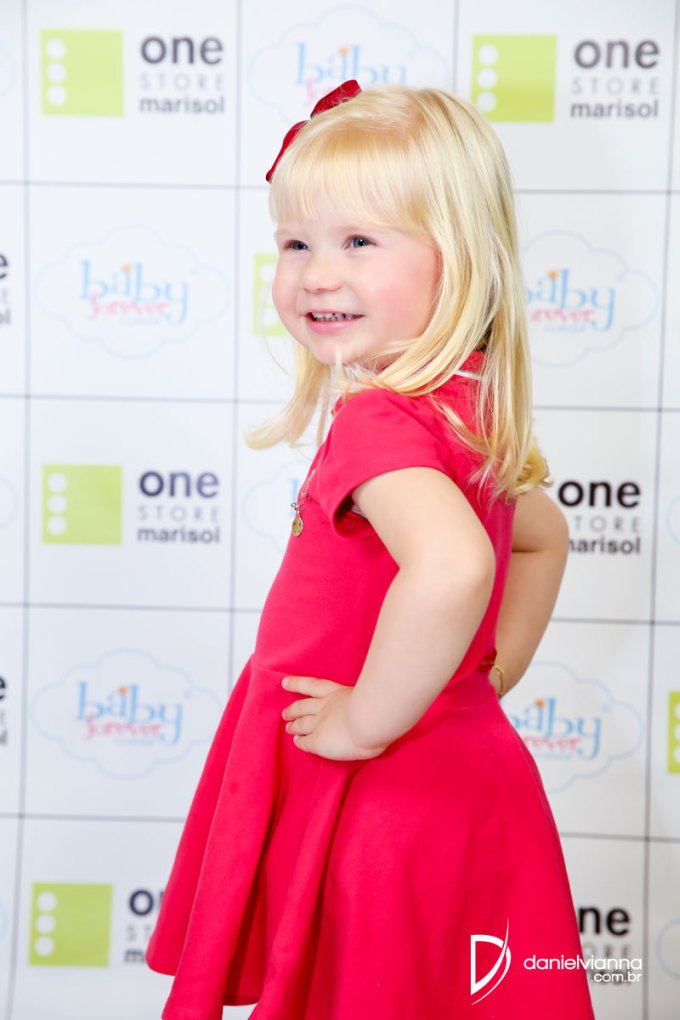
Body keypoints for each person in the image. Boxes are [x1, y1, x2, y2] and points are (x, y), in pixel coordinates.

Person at [146, 82, 595, 1019]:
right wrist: (482, 674)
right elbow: (542, 539)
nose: (316, 274)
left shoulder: (379, 421)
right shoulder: (463, 409)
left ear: (458, 261)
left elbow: (458, 565)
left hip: (375, 796)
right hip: (456, 778)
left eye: (358, 241)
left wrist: (366, 720)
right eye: (296, 244)